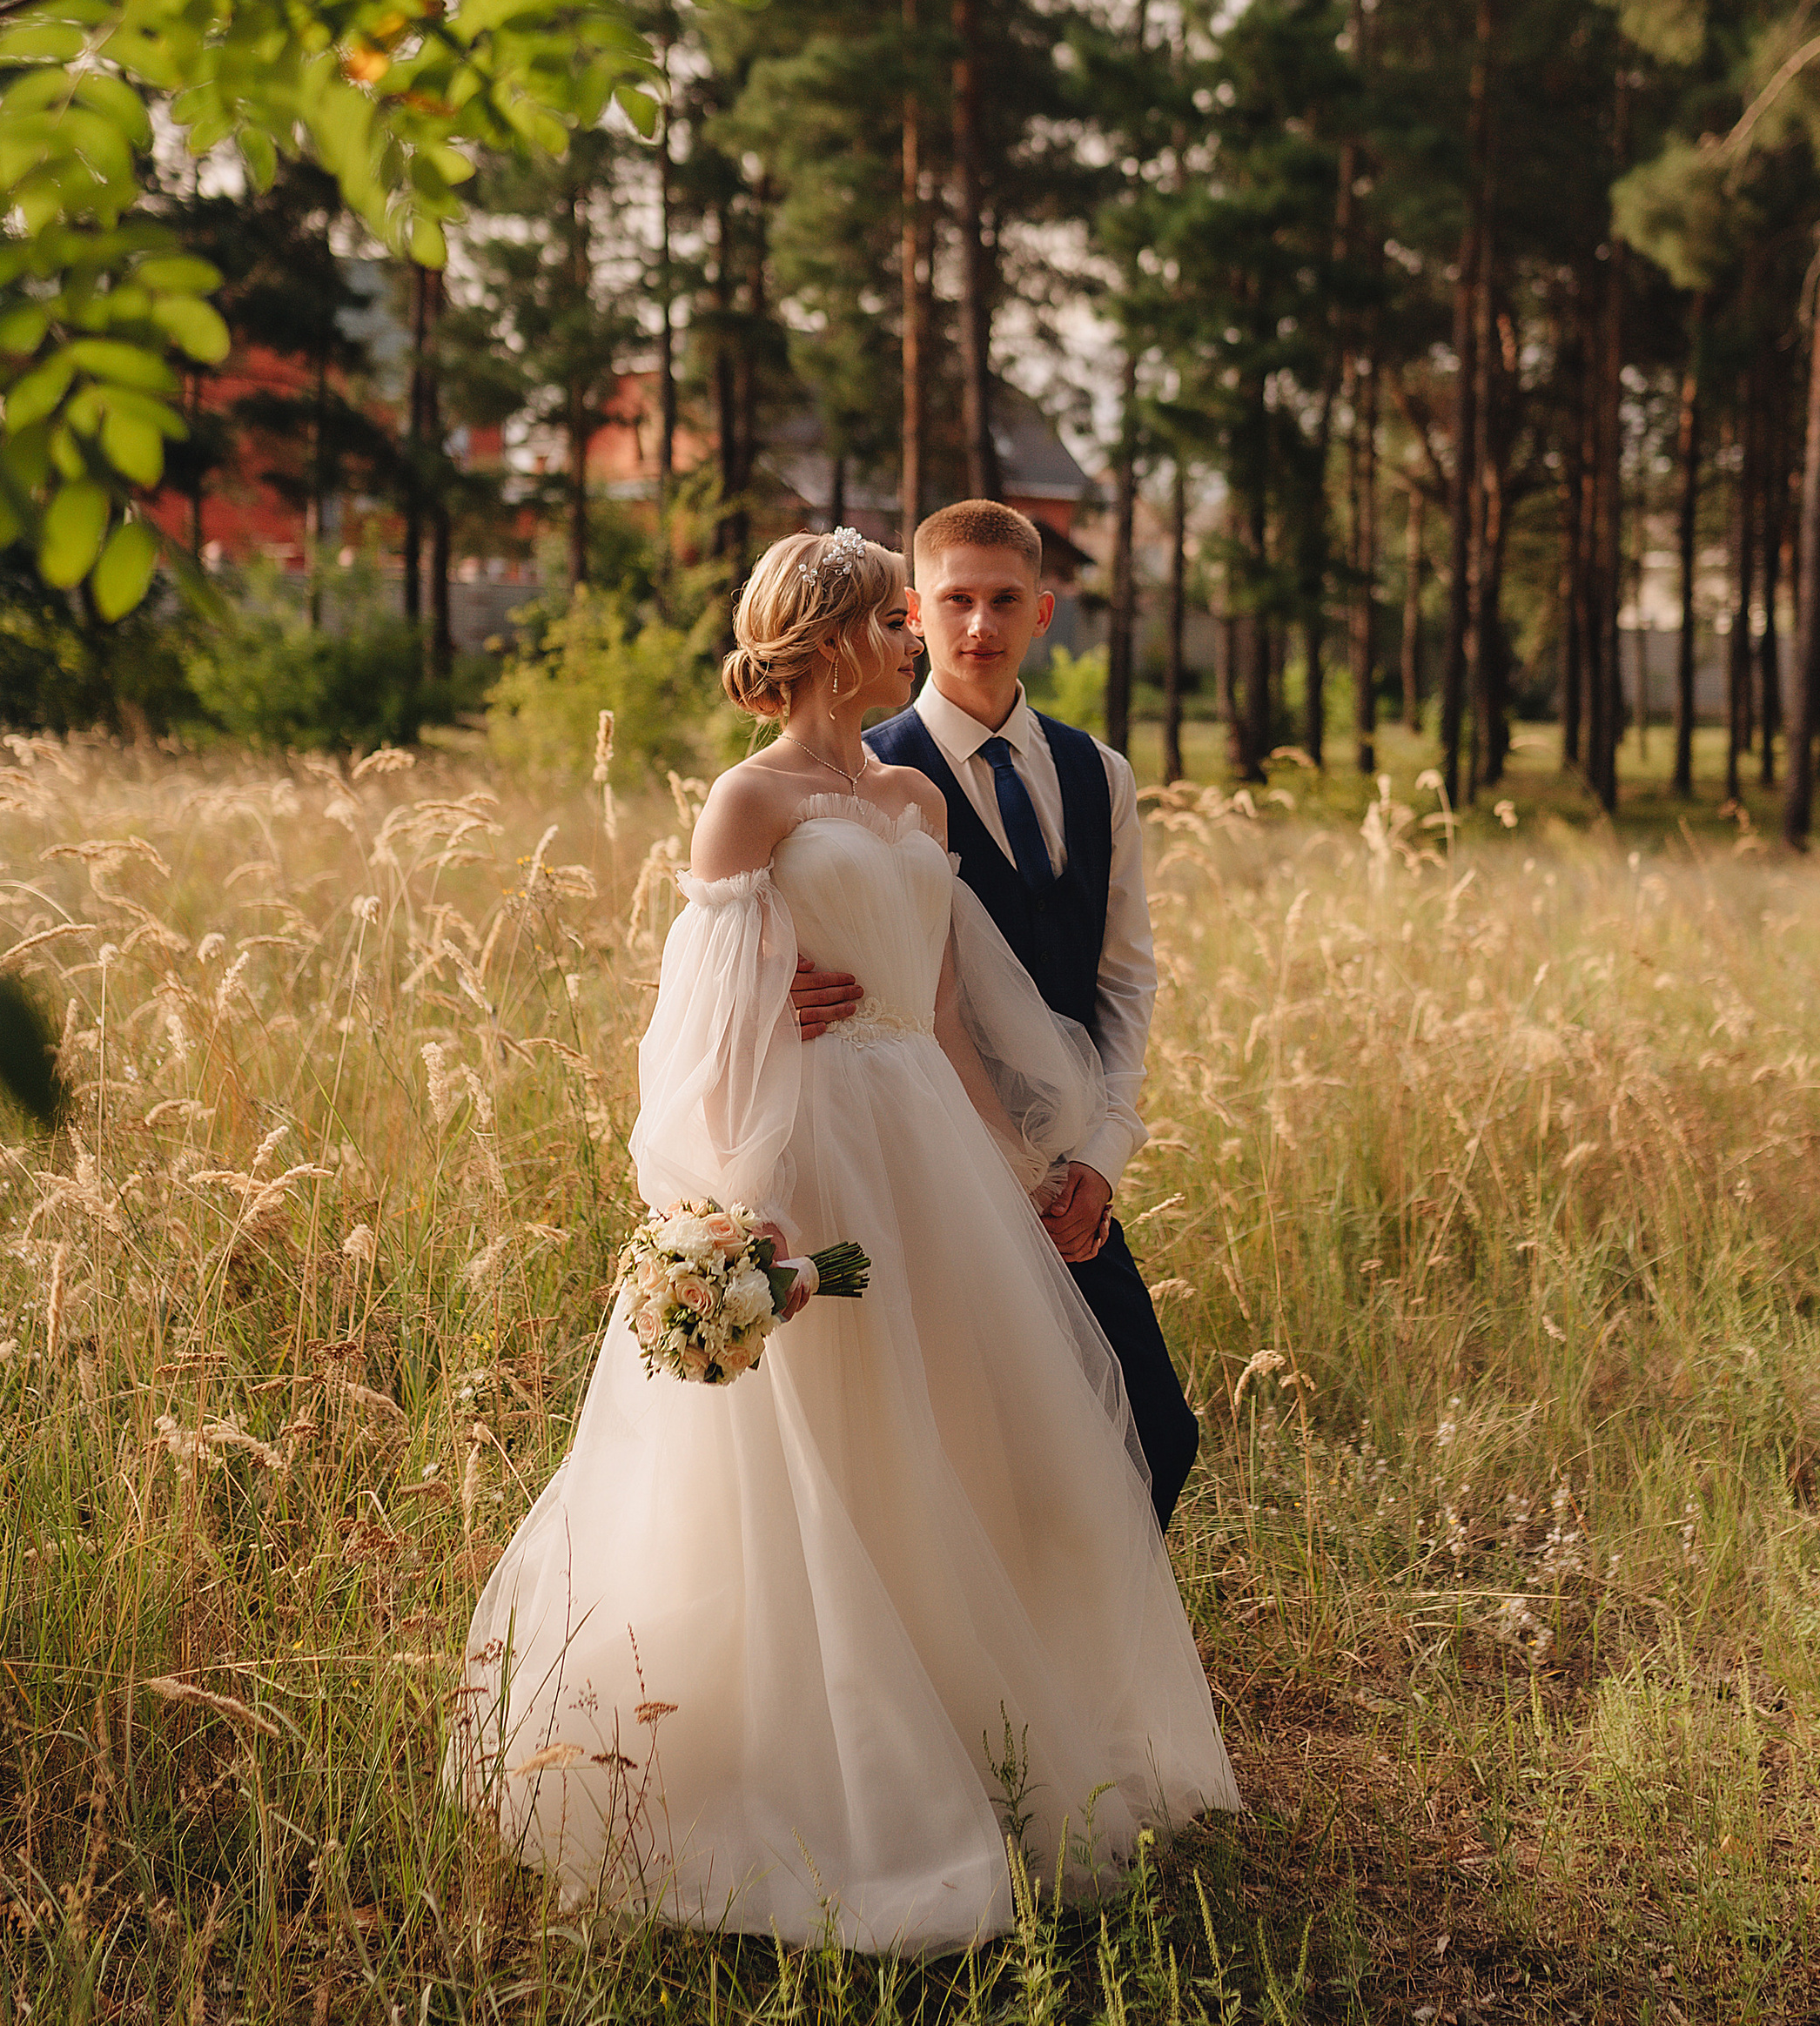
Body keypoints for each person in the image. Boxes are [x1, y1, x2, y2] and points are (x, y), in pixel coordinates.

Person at [453, 527, 1235, 1950]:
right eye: (891, 615)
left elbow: (936, 1013)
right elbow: (691, 1029)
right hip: (805, 1147)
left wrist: (1006, 1178)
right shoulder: (744, 805)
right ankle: (805, 1776)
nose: (910, 635)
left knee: (955, 1440)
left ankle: (966, 1739)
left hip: (921, 1143)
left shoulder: (911, 807)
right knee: (809, 1454)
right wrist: (738, 1169)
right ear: (830, 639)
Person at [806, 500, 1201, 1528]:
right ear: (911, 613)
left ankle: (1099, 1673)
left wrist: (1101, 1161)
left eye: (1004, 601)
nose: (979, 625)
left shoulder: (1098, 772)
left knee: (1154, 1432)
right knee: (972, 1447)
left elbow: (1125, 980)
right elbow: (753, 937)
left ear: (1044, 610)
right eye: (955, 601)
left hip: (1066, 1170)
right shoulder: (860, 772)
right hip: (921, 1161)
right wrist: (773, 988)